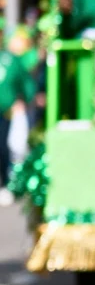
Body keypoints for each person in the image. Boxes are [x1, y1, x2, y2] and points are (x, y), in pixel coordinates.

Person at [0, 43, 36, 204]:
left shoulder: (11, 60)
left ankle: (6, 184)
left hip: (5, 111)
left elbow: (26, 82)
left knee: (4, 148)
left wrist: (25, 101)